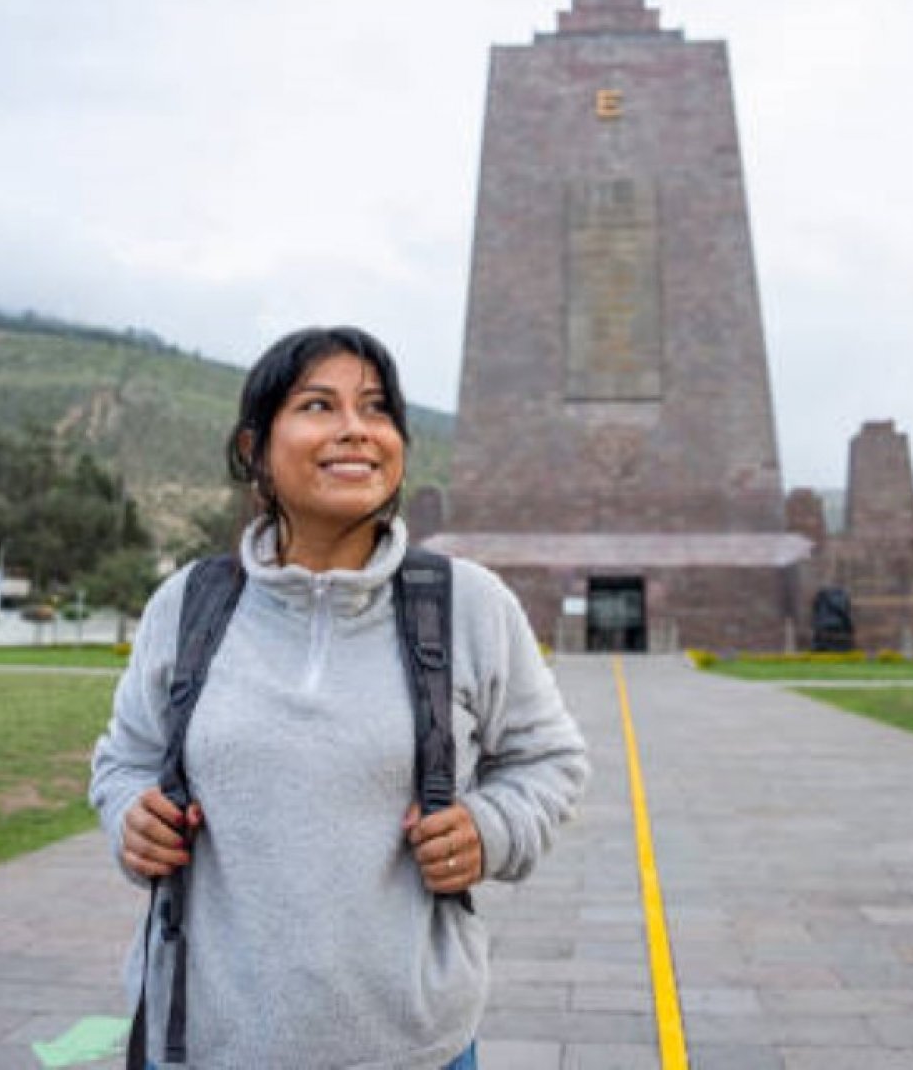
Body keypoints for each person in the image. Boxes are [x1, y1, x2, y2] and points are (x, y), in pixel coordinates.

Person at [90, 325, 590, 1069]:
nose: (356, 430)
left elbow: (550, 760)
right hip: (198, 1042)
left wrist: (489, 829)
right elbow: (123, 760)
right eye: (319, 405)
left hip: (412, 1047)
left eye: (377, 408)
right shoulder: (189, 605)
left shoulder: (468, 605)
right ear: (255, 448)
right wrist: (132, 818)